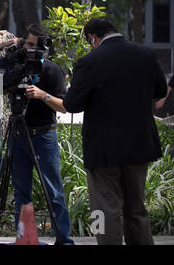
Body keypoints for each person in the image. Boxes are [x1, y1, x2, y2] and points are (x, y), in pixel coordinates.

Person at [63, 18, 167, 245]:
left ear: (92, 38)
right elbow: (159, 89)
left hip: (103, 150)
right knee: (136, 208)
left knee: (103, 211)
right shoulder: (145, 54)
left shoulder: (89, 62)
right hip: (139, 145)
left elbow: (71, 105)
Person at [0, 23, 74, 245]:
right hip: (18, 135)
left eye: (35, 46)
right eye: (27, 43)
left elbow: (64, 107)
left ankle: (64, 240)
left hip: (44, 136)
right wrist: (3, 45)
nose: (29, 49)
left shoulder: (51, 70)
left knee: (54, 192)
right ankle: (24, 238)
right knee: (21, 192)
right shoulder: (12, 64)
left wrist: (42, 95)